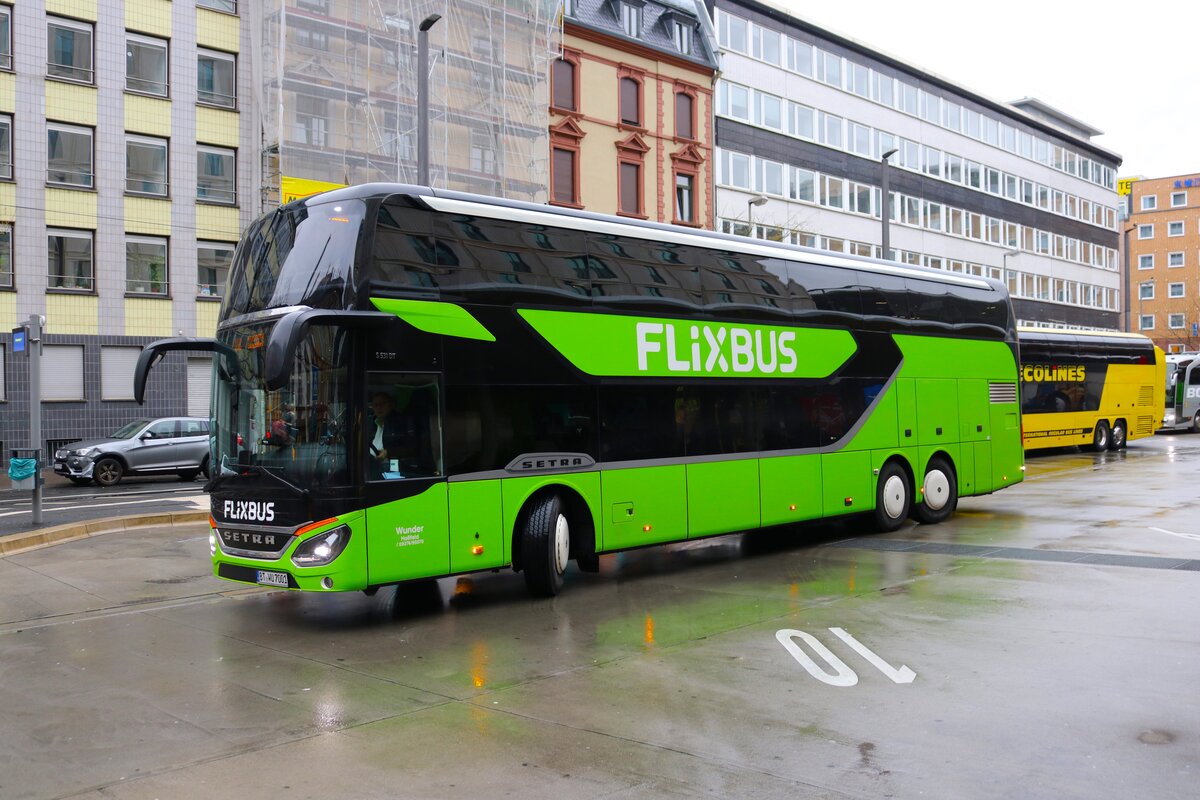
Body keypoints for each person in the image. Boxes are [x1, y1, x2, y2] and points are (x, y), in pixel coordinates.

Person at [367, 389, 432, 477]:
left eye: (382, 404)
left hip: (395, 468)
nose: (379, 408)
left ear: (391, 405)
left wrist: (388, 452)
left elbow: (414, 448)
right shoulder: (371, 423)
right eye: (375, 405)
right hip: (372, 466)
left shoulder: (402, 422)